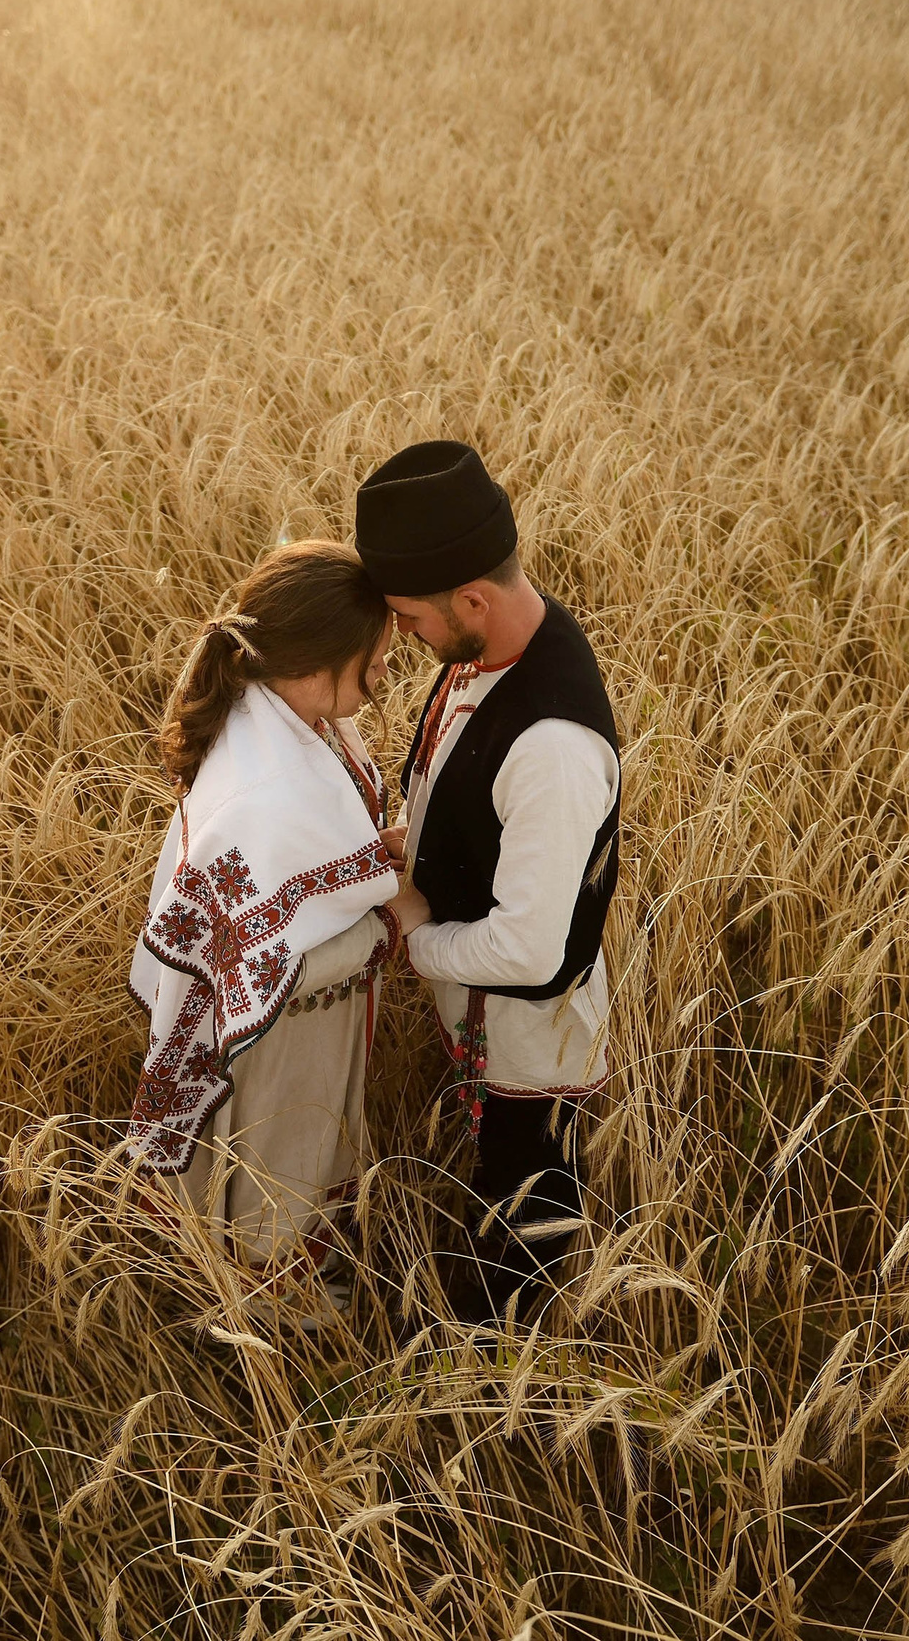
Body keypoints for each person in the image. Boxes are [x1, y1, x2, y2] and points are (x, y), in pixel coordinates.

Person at [359, 441, 621, 1327]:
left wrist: (412, 937)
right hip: (480, 1014)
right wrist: (414, 845)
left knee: (520, 1237)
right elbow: (472, 792)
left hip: (530, 1042)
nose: (401, 636)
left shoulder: (553, 747)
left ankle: (500, 1375)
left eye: (409, 618)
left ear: (471, 599)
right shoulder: (489, 646)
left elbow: (528, 948)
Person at [124, 540, 406, 1297]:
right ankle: (281, 1349)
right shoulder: (267, 788)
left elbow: (290, 881)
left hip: (308, 1029)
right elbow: (256, 965)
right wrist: (390, 919)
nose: (385, 670)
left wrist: (369, 858)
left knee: (295, 1184)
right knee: (278, 1198)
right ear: (317, 661)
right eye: (375, 656)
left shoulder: (286, 718)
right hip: (281, 1046)